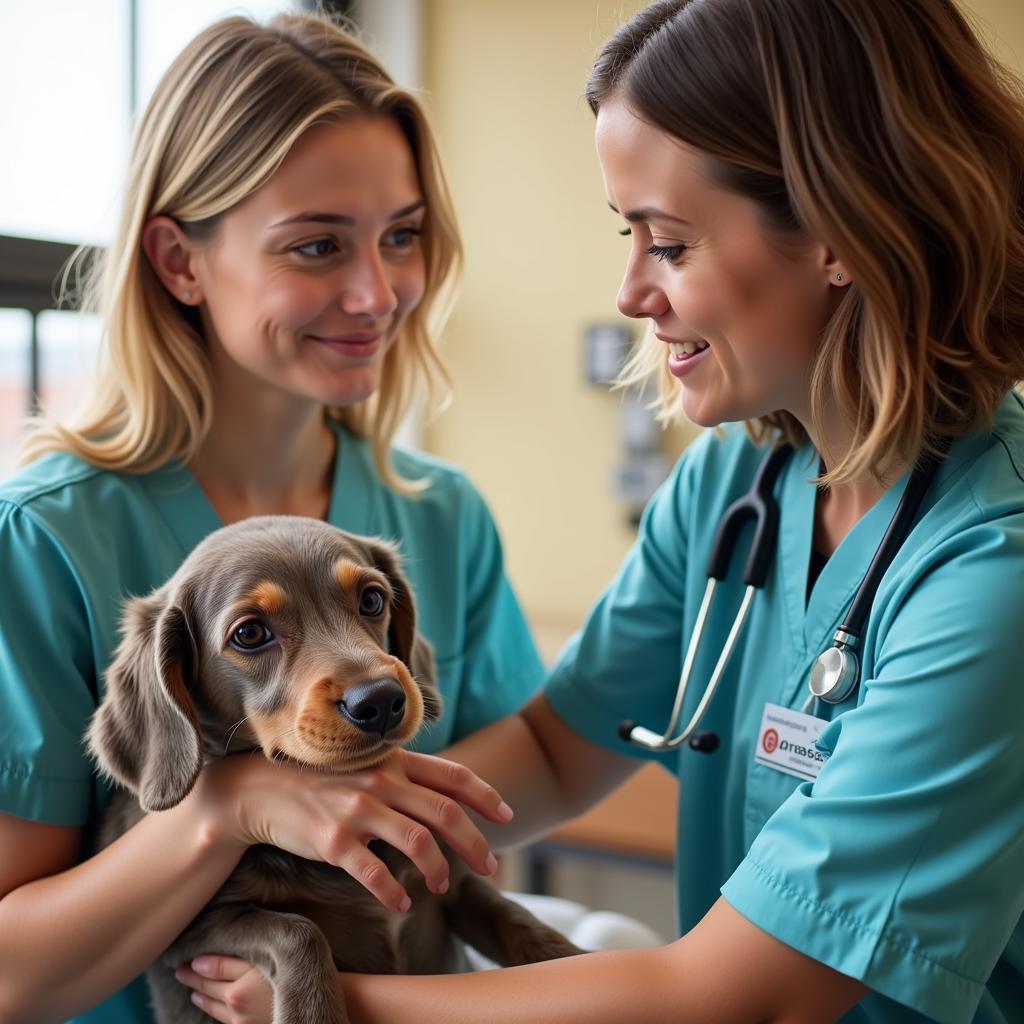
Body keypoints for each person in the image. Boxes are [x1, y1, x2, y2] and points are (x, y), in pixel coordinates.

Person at [174, 0, 1024, 1021]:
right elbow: (551, 750)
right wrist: (290, 807)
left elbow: (744, 994)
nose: (628, 291)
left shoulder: (991, 568)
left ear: (839, 231)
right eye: (625, 234)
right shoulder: (731, 486)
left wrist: (323, 1002)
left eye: (667, 243)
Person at [0, 12, 551, 1023]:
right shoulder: (39, 542)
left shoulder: (439, 515)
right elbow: (8, 976)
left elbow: (493, 794)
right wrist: (233, 802)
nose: (376, 291)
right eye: (315, 245)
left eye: (401, 237)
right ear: (179, 261)